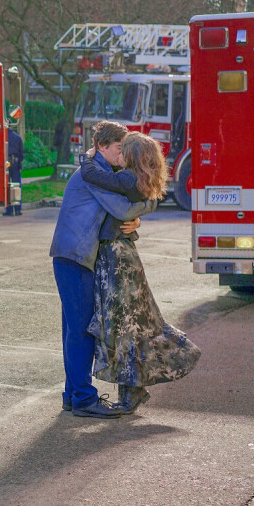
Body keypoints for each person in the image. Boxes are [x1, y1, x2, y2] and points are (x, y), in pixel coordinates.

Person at [79, 132, 201, 413]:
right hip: (124, 257)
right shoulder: (137, 180)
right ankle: (132, 390)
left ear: (131, 157)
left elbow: (96, 180)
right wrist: (138, 217)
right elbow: (140, 203)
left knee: (124, 326)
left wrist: (86, 157)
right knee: (132, 325)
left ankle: (132, 391)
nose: (119, 154)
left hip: (118, 259)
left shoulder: (124, 178)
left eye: (123, 151)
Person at [49, 121, 157, 419]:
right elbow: (122, 209)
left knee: (74, 329)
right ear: (102, 147)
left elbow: (120, 210)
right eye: (120, 149)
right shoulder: (94, 176)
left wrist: (137, 221)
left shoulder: (102, 172)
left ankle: (73, 395)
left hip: (73, 257)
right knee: (81, 330)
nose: (124, 156)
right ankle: (83, 398)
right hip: (75, 257)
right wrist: (150, 204)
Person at [4, 127, 24, 216]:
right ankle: (17, 209)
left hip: (6, 163)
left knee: (7, 186)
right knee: (16, 186)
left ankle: (8, 209)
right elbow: (22, 153)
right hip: (15, 163)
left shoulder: (4, 136)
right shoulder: (18, 137)